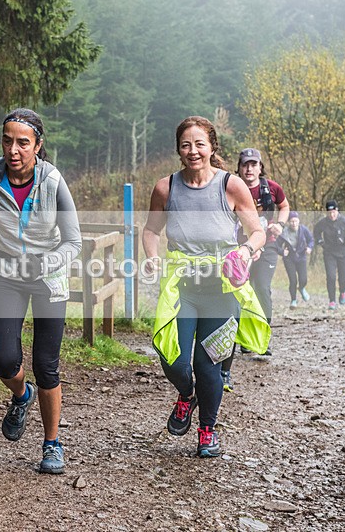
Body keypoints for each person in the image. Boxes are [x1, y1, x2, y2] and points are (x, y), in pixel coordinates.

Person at [0, 108, 81, 474]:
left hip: (48, 277)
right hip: (7, 273)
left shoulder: (53, 181)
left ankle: (52, 444)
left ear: (38, 145)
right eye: (7, 141)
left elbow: (74, 242)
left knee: (46, 365)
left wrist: (44, 263)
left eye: (23, 143)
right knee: (4, 360)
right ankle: (21, 394)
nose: (13, 150)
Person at [143, 116, 269, 458]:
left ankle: (207, 430)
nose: (193, 151)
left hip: (222, 290)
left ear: (212, 147)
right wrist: (152, 257)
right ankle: (187, 394)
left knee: (209, 365)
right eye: (186, 145)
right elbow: (151, 231)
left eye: (200, 144)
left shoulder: (231, 186)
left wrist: (245, 250)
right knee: (173, 360)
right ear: (178, 150)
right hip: (183, 288)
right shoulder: (166, 188)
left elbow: (258, 232)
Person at [220, 147, 290, 392]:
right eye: (245, 165)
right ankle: (242, 338)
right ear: (239, 168)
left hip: (267, 245)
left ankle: (262, 338)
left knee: (261, 288)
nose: (249, 169)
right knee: (238, 293)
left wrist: (280, 225)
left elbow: (284, 206)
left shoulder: (272, 188)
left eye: (254, 164)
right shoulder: (231, 187)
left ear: (260, 167)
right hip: (237, 248)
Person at [313, 200, 345, 310]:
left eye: (333, 212)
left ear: (337, 211)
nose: (332, 215)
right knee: (331, 277)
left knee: (343, 278)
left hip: (344, 252)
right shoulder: (323, 222)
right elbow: (316, 232)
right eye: (329, 213)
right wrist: (320, 241)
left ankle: (342, 291)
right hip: (329, 252)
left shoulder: (344, 221)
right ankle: (332, 300)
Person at [276, 211, 314, 309]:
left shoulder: (303, 230)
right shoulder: (284, 232)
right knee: (293, 280)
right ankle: (293, 300)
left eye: (296, 221)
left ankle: (301, 288)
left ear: (299, 221)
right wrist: (282, 252)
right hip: (289, 258)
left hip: (301, 256)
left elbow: (311, 240)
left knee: (303, 279)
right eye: (292, 221)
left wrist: (309, 247)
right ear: (289, 222)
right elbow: (276, 245)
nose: (294, 223)